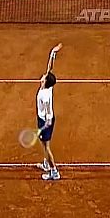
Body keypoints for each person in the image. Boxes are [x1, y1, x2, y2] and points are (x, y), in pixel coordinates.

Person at [36, 43, 63, 181]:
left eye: (44, 77)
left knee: (46, 147)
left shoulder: (44, 96)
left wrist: (44, 126)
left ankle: (54, 171)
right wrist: (53, 53)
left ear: (45, 82)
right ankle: (47, 163)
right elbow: (49, 68)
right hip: (47, 119)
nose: (42, 76)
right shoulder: (48, 87)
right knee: (45, 145)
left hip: (45, 121)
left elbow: (47, 113)